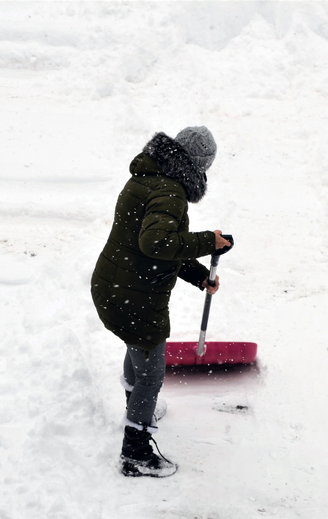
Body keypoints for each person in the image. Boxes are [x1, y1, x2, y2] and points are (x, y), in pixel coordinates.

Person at [90, 127, 230, 478]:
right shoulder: (170, 192)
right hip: (134, 296)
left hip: (116, 287)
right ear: (199, 166)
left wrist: (200, 276)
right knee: (151, 374)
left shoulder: (149, 178)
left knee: (137, 347)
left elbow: (154, 247)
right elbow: (158, 243)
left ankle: (137, 409)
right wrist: (206, 241)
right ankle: (135, 451)